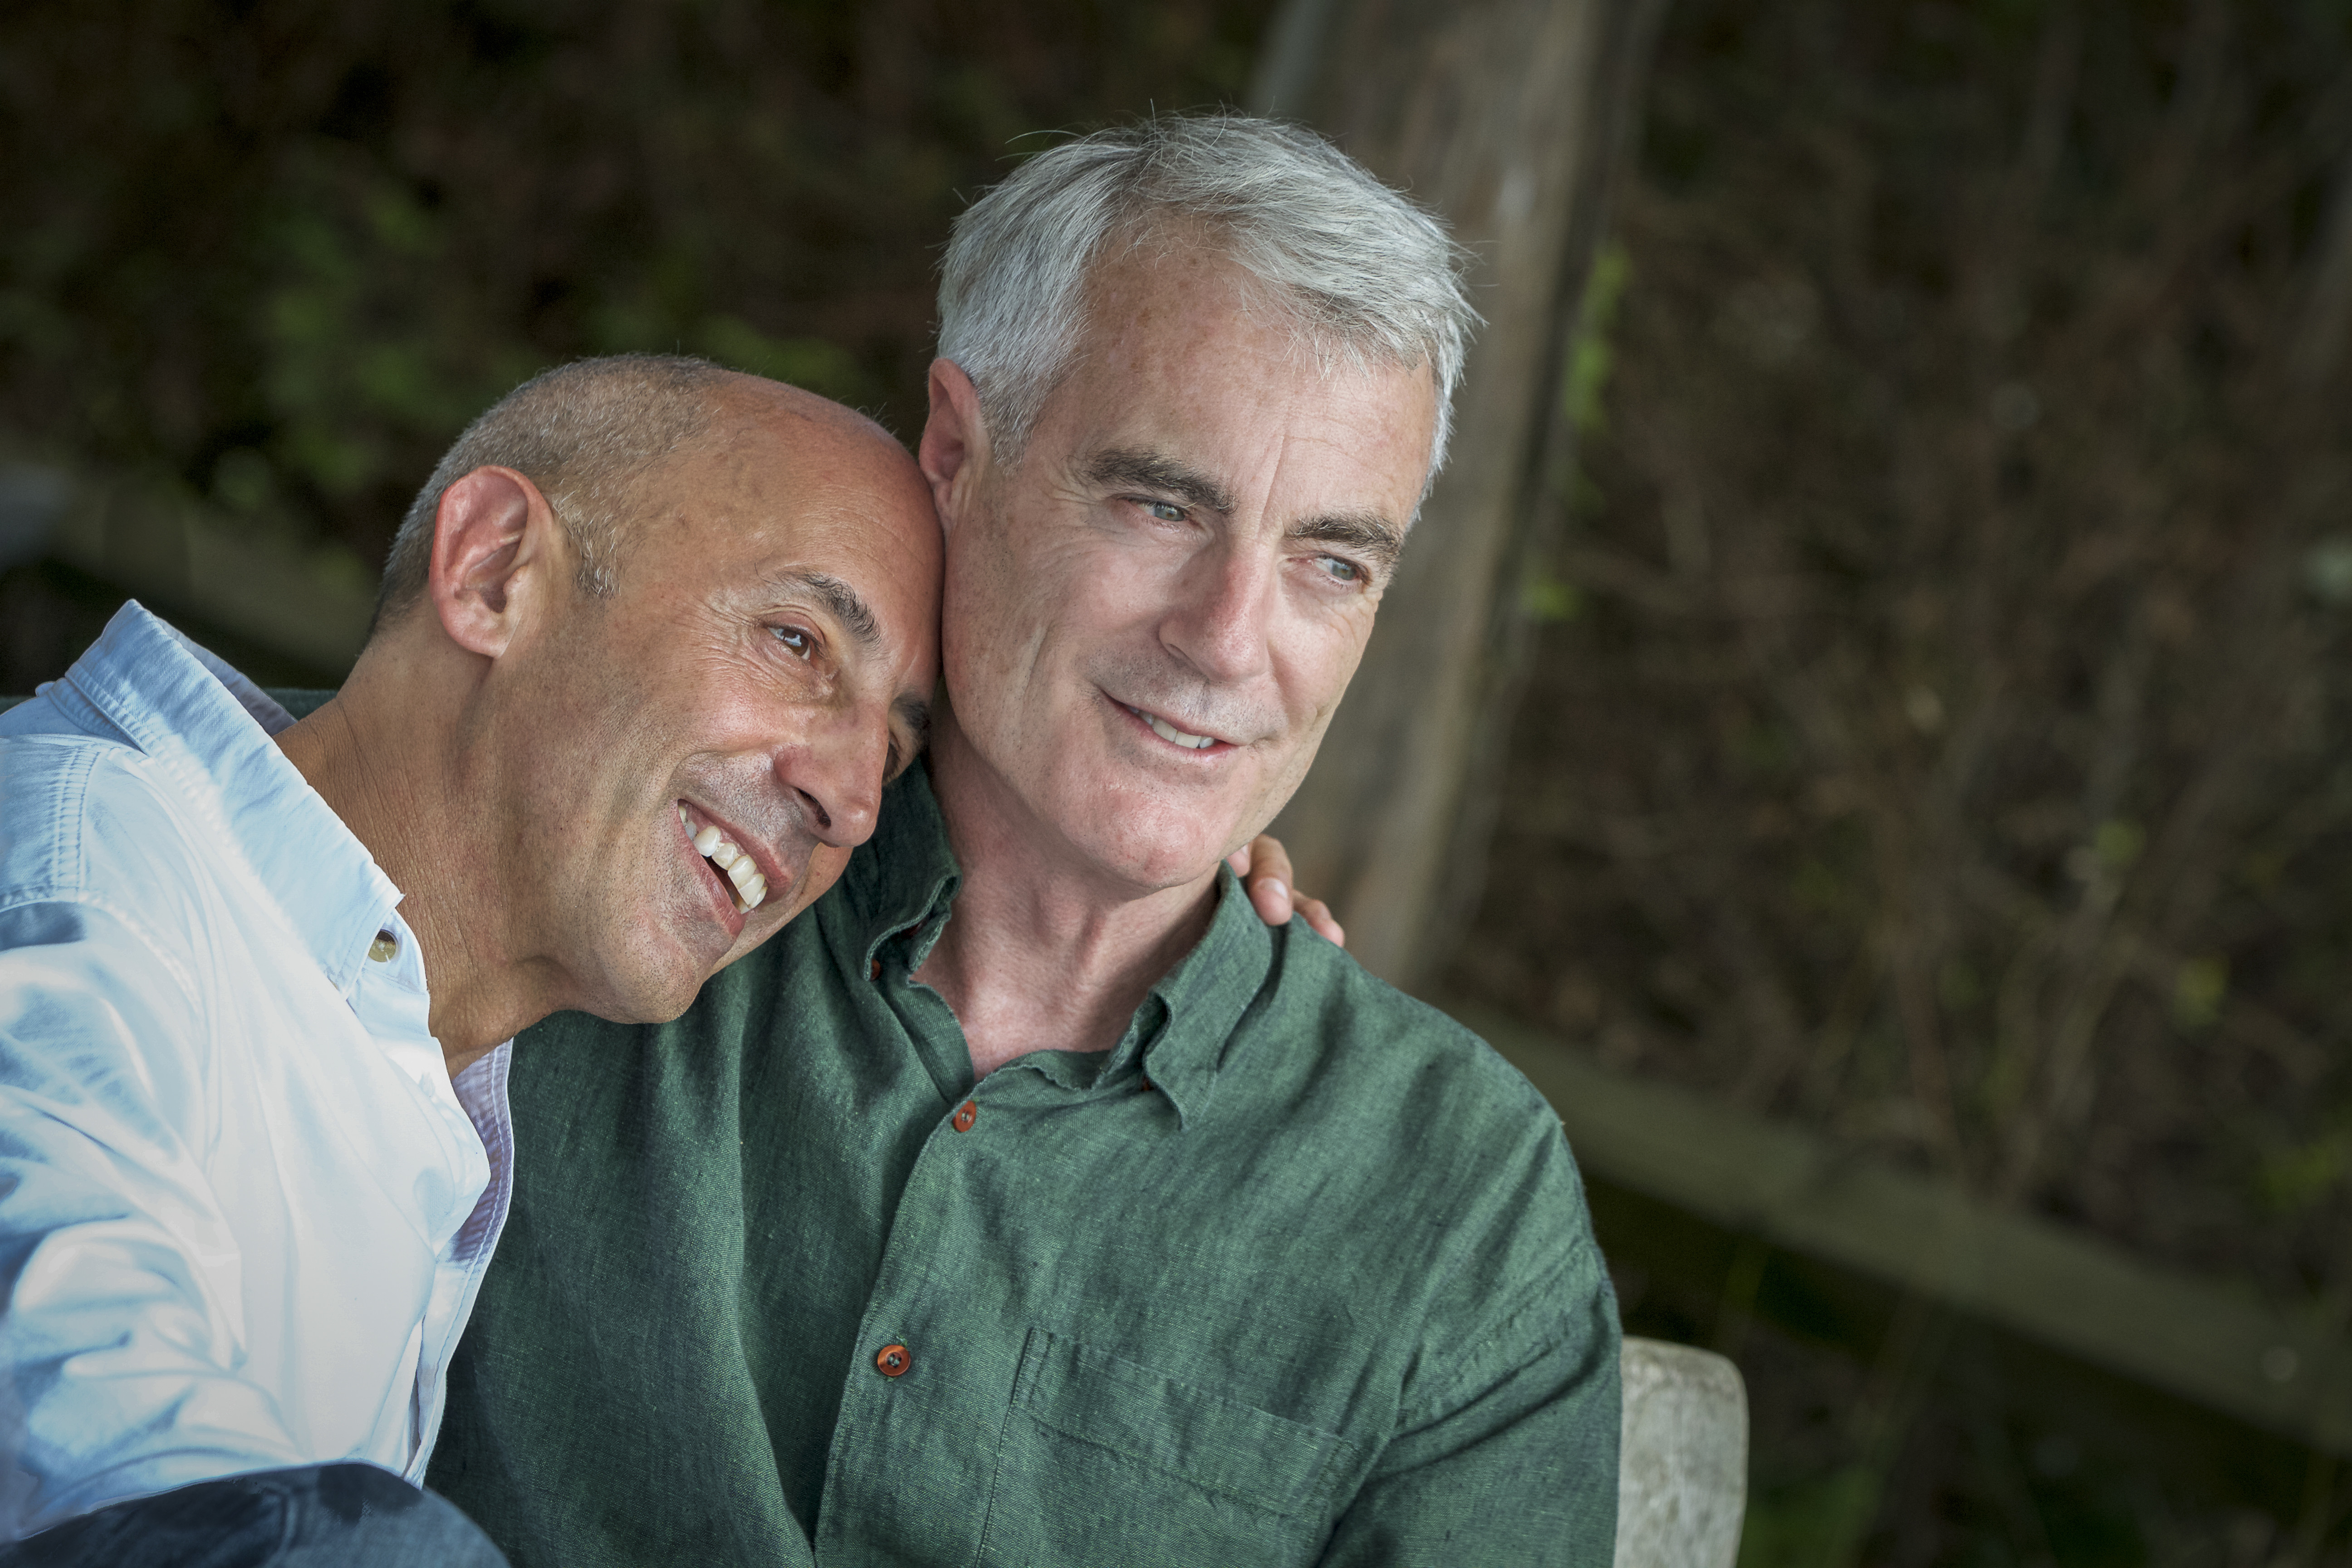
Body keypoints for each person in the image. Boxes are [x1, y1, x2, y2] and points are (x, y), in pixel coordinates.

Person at [429, 115, 1621, 1566]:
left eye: (1330, 560)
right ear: (956, 447)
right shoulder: (587, 855)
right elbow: (202, 816)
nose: (1228, 641)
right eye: (1160, 503)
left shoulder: (1460, 1204)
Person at [0, 357, 943, 1563]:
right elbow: (119, 1469)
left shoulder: (416, 1055)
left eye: (899, 755)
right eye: (797, 641)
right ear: (494, 571)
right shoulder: (77, 888)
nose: (854, 799)